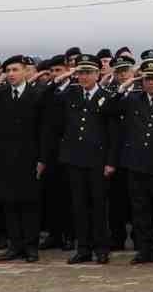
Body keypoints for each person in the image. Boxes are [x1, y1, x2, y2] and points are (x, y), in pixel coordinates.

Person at [107, 57, 153, 266]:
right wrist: (124, 87)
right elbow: (108, 109)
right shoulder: (133, 99)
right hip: (137, 165)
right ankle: (145, 250)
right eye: (147, 79)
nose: (151, 83)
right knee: (141, 211)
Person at [0, 55, 50, 262]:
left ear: (25, 71)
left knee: (29, 204)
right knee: (9, 204)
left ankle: (31, 247)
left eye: (15, 70)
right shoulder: (0, 94)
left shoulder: (37, 94)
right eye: (7, 70)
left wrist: (42, 158)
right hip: (5, 157)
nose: (11, 74)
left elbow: (44, 129)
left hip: (29, 157)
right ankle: (14, 245)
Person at [47, 55, 114, 264]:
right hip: (74, 159)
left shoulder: (107, 97)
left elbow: (113, 133)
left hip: (97, 160)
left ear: (97, 74)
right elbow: (46, 99)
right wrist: (61, 78)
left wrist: (110, 161)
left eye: (88, 72)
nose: (84, 77)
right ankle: (83, 248)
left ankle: (101, 248)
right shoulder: (70, 94)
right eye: (80, 72)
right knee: (79, 205)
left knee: (99, 205)